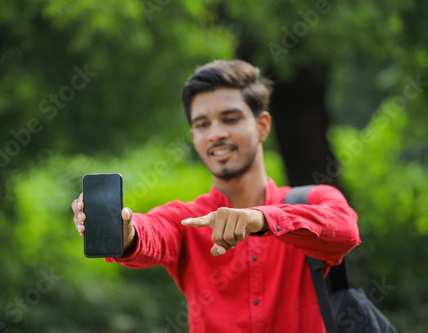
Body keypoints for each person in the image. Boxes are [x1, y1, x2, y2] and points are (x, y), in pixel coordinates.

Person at [71, 60, 360, 332]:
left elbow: (345, 230)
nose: (216, 133)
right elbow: (152, 231)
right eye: (202, 124)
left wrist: (260, 219)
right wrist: (126, 233)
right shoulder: (188, 220)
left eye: (230, 119)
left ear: (262, 126)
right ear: (194, 136)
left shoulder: (311, 201)